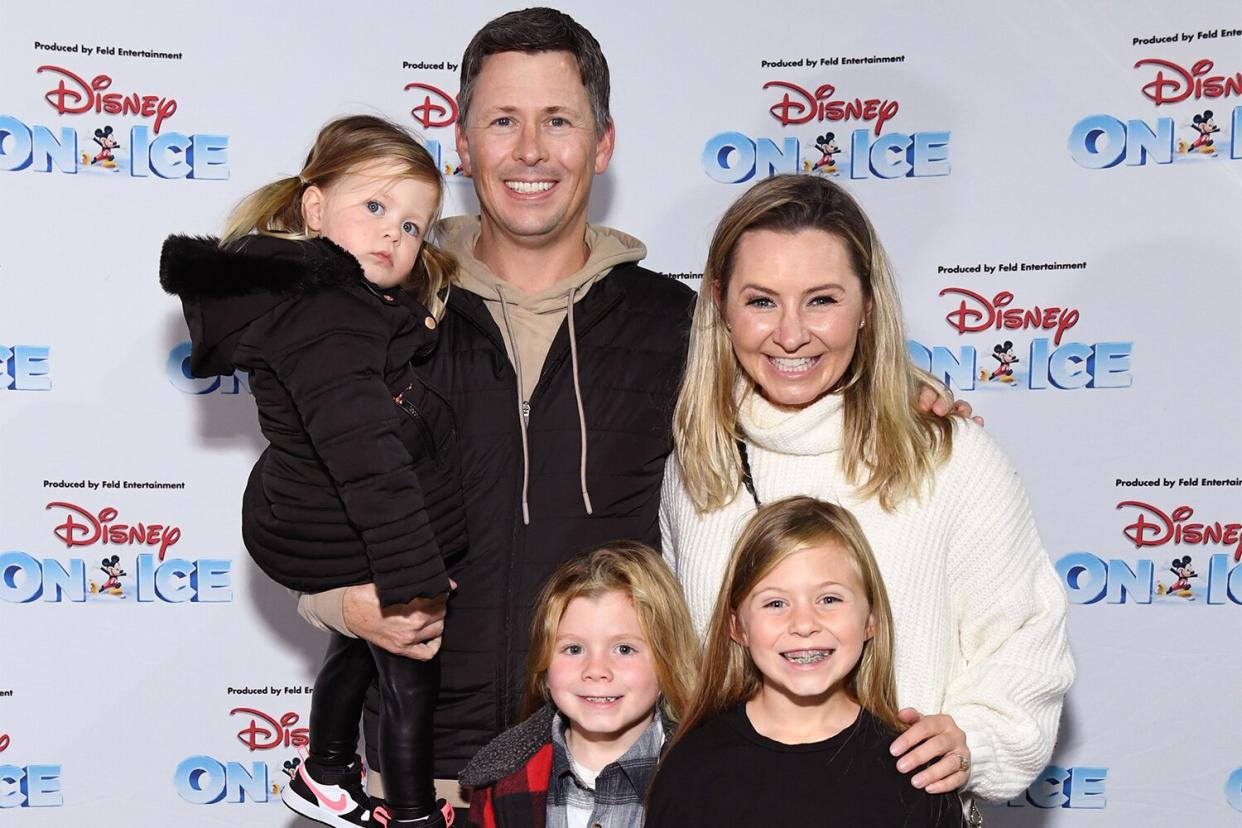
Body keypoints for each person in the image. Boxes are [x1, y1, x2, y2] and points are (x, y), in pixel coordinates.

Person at [296, 8, 973, 804]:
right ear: (463, 140)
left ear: (603, 143)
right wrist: (340, 603)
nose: (530, 151)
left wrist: (888, 383)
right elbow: (297, 495)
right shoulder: (381, 312)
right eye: (503, 121)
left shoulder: (676, 326)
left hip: (618, 777)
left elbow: (791, 380)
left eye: (559, 121)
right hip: (417, 773)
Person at [659, 174, 1073, 817]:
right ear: (720, 305)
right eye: (762, 301)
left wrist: (978, 739)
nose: (791, 335)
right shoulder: (698, 466)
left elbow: (1025, 641)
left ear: (867, 306)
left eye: (821, 300)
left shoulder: (948, 457)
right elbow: (685, 673)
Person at [160, 115, 461, 828]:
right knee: (409, 656)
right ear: (315, 207)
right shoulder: (329, 315)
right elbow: (366, 455)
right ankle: (414, 815)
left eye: (414, 226)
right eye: (376, 208)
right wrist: (413, 575)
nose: (395, 235)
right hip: (333, 516)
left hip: (307, 512)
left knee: (361, 638)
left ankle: (327, 771)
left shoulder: (331, 299)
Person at [646, 496, 963, 826]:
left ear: (871, 619)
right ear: (737, 626)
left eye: (829, 599)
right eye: (776, 603)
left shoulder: (916, 770)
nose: (804, 624)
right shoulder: (691, 770)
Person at [458, 542, 697, 828]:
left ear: (667, 661)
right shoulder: (502, 782)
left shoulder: (704, 779)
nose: (596, 671)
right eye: (573, 649)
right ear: (545, 667)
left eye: (623, 649)